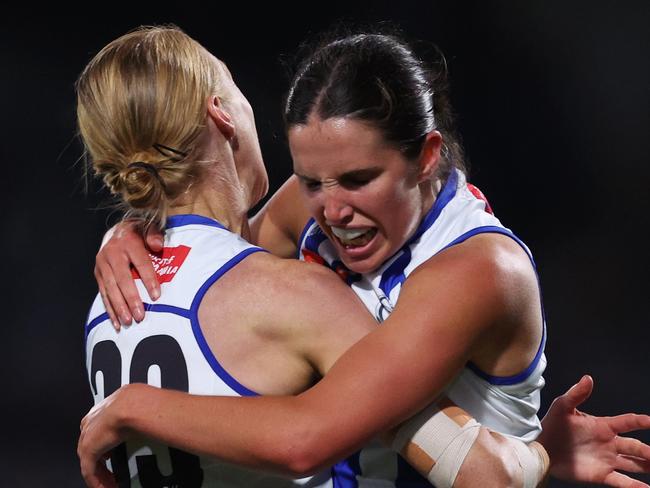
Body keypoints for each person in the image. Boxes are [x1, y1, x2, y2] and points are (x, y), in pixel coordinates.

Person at [78, 25, 650, 488]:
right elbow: (220, 258)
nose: (331, 210)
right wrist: (141, 228)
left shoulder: (476, 268)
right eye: (309, 180)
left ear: (426, 157)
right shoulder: (317, 211)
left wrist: (133, 405)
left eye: (358, 179)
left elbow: (313, 436)